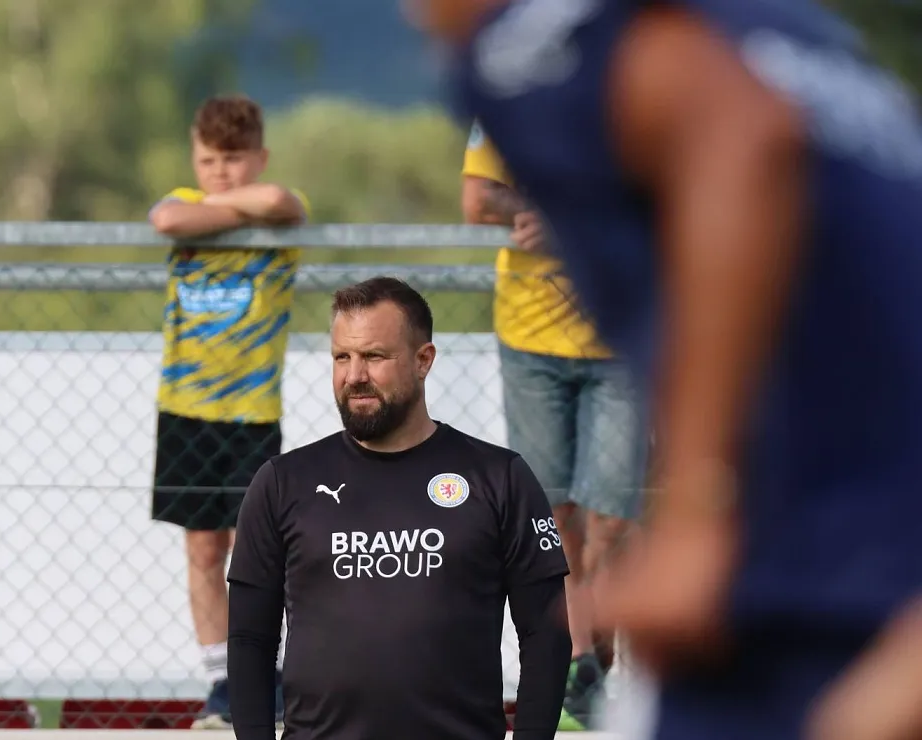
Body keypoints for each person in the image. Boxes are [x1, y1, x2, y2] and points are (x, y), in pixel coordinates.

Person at [407, 0, 922, 738]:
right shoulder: (793, 37)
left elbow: (741, 134)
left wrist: (692, 521)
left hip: (816, 592)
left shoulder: (541, 42)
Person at [226, 276, 572, 740]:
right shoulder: (282, 482)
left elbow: (546, 635)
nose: (354, 376)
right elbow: (250, 640)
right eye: (341, 357)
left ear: (423, 360)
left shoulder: (500, 477)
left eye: (374, 356)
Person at [462, 120, 648, 731]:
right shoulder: (509, 93)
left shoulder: (639, 92)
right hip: (530, 339)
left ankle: (592, 662)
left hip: (620, 338)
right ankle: (578, 669)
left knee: (613, 518)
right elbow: (478, 199)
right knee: (555, 517)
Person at [148, 93, 310, 730]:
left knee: (255, 554)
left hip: (250, 412)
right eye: (209, 160)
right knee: (202, 550)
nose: (220, 172)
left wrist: (213, 211)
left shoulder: (272, 211)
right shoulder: (183, 202)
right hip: (184, 410)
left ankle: (262, 675)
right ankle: (223, 686)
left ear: (260, 157)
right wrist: (217, 209)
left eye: (235, 160)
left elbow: (277, 204)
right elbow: (165, 219)